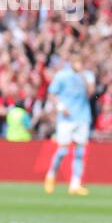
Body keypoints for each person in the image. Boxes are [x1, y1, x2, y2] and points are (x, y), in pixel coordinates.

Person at [44, 54, 94, 195]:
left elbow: (90, 93)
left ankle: (75, 184)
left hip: (82, 117)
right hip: (66, 118)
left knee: (80, 152)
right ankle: (51, 174)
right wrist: (60, 107)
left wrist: (82, 77)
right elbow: (52, 94)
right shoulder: (62, 75)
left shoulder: (88, 76)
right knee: (63, 151)